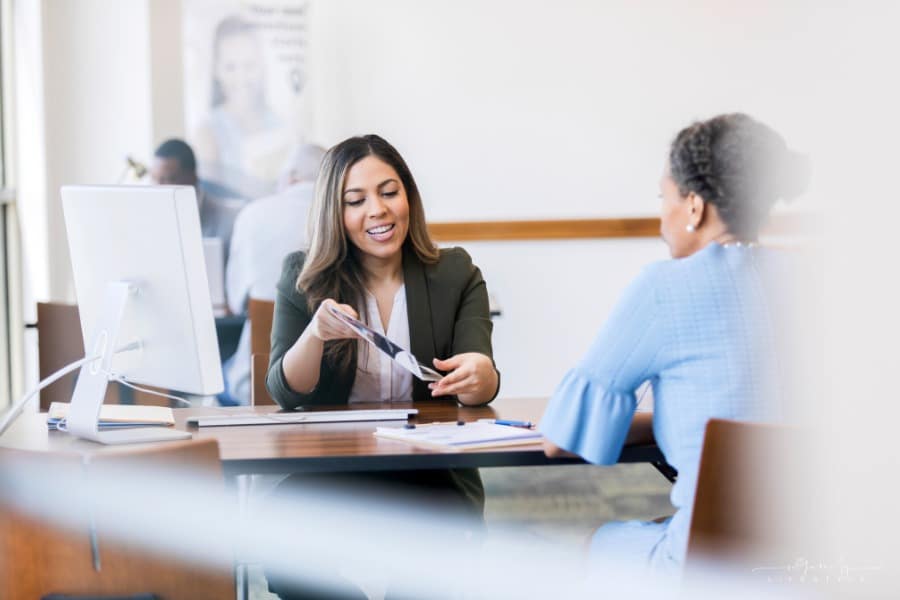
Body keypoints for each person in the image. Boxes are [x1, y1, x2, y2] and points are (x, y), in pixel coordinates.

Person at [540, 113, 808, 577]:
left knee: (582, 543)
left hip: (707, 565)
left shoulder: (665, 287)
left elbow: (559, 440)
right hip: (819, 557)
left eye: (662, 197)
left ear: (693, 206)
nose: (661, 217)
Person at [265, 134, 500, 599]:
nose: (378, 210)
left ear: (408, 196)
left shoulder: (454, 272)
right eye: (356, 200)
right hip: (334, 471)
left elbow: (481, 381)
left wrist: (478, 374)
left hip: (431, 474)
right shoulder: (302, 276)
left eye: (389, 192)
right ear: (336, 213)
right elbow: (284, 391)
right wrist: (314, 335)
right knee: (282, 534)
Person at [219, 144, 326, 405]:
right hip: (327, 382)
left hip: (255, 379)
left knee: (219, 376)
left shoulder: (252, 214)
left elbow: (236, 302)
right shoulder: (341, 214)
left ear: (289, 176)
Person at [192, 15, 295, 200]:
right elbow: (211, 202)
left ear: (262, 66)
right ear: (217, 69)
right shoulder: (208, 132)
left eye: (250, 65)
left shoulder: (280, 123)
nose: (242, 77)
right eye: (231, 67)